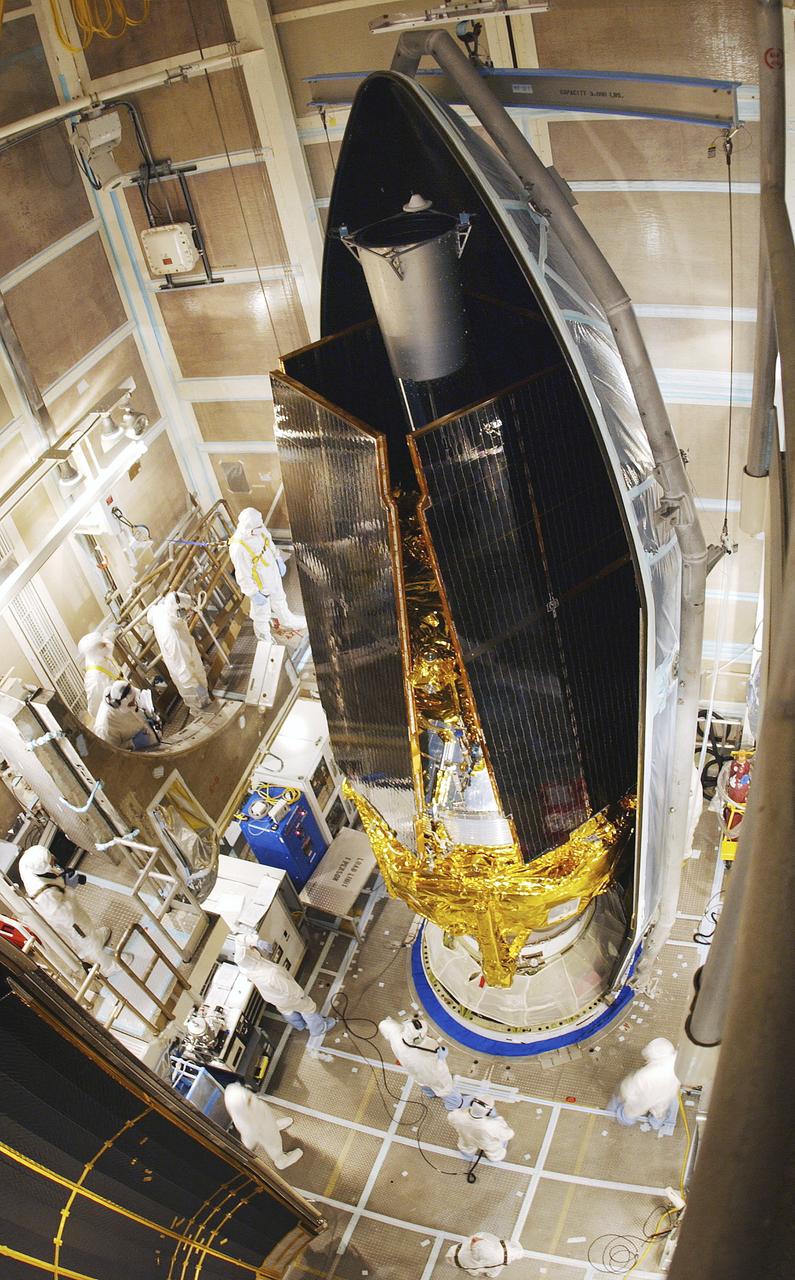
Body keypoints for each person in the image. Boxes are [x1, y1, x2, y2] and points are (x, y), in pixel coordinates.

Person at [19, 845, 120, 973]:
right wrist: (68, 888)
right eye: (51, 862)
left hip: (63, 904)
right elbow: (60, 913)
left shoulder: (27, 862)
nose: (54, 859)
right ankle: (108, 967)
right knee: (85, 937)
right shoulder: (43, 893)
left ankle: (96, 939)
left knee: (86, 927)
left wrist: (62, 879)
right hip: (66, 917)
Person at [233, 931, 335, 1038]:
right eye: (251, 948)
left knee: (286, 1010)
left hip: (273, 997)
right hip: (287, 996)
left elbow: (239, 940)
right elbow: (288, 989)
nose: (253, 948)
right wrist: (301, 995)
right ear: (252, 956)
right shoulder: (270, 974)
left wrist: (256, 941)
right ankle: (318, 1029)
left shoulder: (246, 968)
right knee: (308, 1007)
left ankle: (300, 1025)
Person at [228, 507, 306, 639]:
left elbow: (269, 542)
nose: (260, 528)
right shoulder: (238, 547)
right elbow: (243, 575)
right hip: (260, 582)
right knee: (261, 613)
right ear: (248, 527)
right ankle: (263, 636)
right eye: (257, 527)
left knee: (280, 599)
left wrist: (278, 558)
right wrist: (253, 593)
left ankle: (287, 620)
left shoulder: (259, 528)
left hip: (272, 573)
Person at [378, 1014, 464, 1110]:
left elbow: (384, 1025)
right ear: (417, 1039)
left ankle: (430, 1094)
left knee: (423, 1084)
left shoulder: (396, 1036)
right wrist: (441, 1059)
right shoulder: (420, 1056)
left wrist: (405, 1025)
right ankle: (453, 1104)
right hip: (428, 1075)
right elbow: (438, 1072)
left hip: (416, 1074)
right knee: (444, 1088)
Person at [146, 592, 210, 713]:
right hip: (183, 670)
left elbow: (152, 615)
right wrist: (197, 686)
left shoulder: (162, 610)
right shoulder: (172, 636)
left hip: (185, 648)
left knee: (197, 677)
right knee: (195, 698)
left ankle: (203, 704)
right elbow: (183, 669)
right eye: (186, 612)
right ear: (178, 611)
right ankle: (200, 712)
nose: (188, 615)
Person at [224, 1082, 302, 1170]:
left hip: (266, 1122)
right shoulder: (246, 1124)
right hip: (264, 1132)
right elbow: (249, 1139)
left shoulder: (247, 1102)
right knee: (274, 1145)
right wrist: (249, 1145)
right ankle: (280, 1160)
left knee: (270, 1123)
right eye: (249, 1101)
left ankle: (275, 1126)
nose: (251, 1096)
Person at [613, 1037, 680, 1128]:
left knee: (633, 1110)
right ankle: (656, 1123)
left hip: (647, 1097)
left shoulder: (645, 1075)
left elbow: (631, 1092)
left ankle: (626, 1118)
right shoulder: (676, 1062)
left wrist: (625, 1100)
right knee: (660, 1110)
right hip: (666, 1095)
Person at [93, 680, 160, 750]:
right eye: (131, 703)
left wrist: (148, 717)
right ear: (121, 705)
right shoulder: (105, 727)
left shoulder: (122, 693)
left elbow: (136, 707)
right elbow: (113, 752)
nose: (135, 704)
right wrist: (133, 743)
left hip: (152, 741)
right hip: (138, 752)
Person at [447, 1095, 515, 1162]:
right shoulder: (493, 1125)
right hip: (487, 1144)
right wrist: (498, 1119)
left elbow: (451, 1120)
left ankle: (467, 1154)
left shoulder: (457, 1115)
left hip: (466, 1138)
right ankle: (495, 1157)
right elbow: (508, 1134)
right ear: (488, 1111)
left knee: (466, 1146)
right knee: (495, 1150)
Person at [77, 630, 120, 720]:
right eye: (102, 645)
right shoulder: (95, 679)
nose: (106, 646)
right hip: (119, 718)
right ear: (94, 650)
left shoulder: (102, 659)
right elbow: (95, 711)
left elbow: (109, 639)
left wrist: (112, 630)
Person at [445, 1234, 528, 1275]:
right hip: (495, 1265)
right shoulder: (506, 1257)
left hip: (470, 1264)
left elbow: (475, 1240)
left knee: (472, 1269)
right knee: (493, 1270)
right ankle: (489, 1275)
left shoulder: (462, 1255)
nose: (475, 1238)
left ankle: (474, 1274)